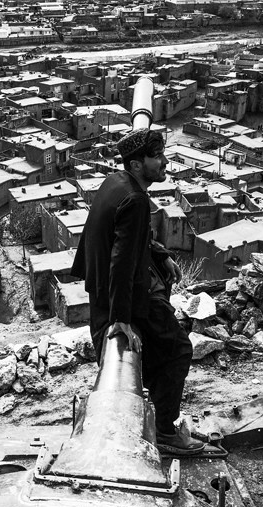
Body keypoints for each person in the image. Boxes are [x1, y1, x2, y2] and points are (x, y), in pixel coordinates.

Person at [71, 128, 205, 456]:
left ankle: (156, 417)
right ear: (136, 165)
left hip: (104, 291)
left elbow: (132, 237)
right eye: (156, 156)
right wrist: (121, 319)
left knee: (159, 352)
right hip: (121, 297)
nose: (164, 162)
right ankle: (164, 433)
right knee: (178, 350)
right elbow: (120, 261)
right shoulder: (135, 199)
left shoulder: (115, 183)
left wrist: (160, 255)